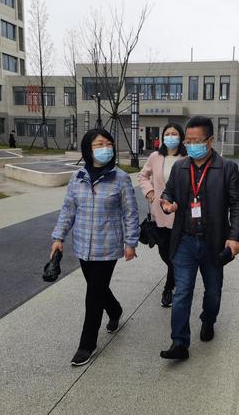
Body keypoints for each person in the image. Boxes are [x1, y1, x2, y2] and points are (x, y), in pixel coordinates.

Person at [50, 128, 140, 367]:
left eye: (108, 144)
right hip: (82, 245)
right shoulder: (78, 177)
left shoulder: (120, 178)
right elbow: (68, 209)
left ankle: (87, 344)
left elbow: (130, 213)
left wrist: (131, 242)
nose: (105, 148)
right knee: (97, 288)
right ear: (88, 149)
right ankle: (115, 309)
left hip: (107, 246)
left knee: (93, 295)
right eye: (99, 144)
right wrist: (59, 237)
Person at [159, 116, 239, 360]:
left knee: (213, 291)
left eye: (197, 141)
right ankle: (179, 342)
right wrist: (166, 203)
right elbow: (168, 192)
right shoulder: (180, 167)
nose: (191, 145)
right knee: (182, 292)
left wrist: (235, 237)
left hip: (213, 242)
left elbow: (237, 205)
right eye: (188, 141)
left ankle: (208, 319)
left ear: (210, 140)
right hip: (185, 240)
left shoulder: (227, 168)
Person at [138, 123, 187, 308]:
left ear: (181, 137)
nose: (171, 136)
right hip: (159, 213)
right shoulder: (155, 156)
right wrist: (149, 191)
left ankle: (168, 288)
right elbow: (143, 175)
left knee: (175, 255)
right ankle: (176, 279)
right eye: (168, 133)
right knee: (165, 252)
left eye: (175, 133)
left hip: (181, 214)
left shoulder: (187, 158)